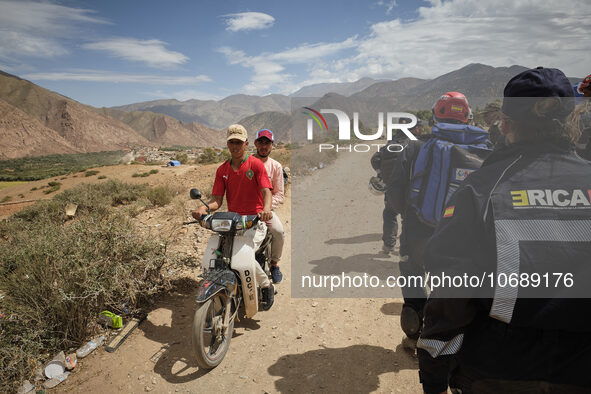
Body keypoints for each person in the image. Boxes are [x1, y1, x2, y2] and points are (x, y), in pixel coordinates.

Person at [417, 67, 591, 393]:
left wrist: (434, 373)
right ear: (572, 121)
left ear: (507, 124)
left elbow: (452, 293)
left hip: (496, 370)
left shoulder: (481, 187)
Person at [387, 92, 489, 341]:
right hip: (465, 236)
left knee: (412, 272)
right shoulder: (485, 150)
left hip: (419, 230)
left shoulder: (414, 147)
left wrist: (408, 215)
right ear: (468, 118)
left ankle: (414, 330)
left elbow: (394, 194)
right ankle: (449, 339)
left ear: (435, 116)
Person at [192, 124, 275, 309]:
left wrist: (266, 209)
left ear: (246, 144)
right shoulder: (222, 170)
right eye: (232, 142)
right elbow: (216, 200)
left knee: (241, 255)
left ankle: (266, 285)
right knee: (220, 253)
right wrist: (203, 208)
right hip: (232, 221)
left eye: (239, 142)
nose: (235, 146)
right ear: (227, 145)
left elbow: (266, 191)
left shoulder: (256, 165)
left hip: (254, 221)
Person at [253, 128, 285, 284]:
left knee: (278, 232)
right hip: (246, 210)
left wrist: (266, 208)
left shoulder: (276, 166)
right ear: (255, 144)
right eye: (261, 142)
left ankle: (274, 265)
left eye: (267, 143)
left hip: (266, 212)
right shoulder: (247, 162)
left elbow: (279, 194)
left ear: (272, 145)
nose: (264, 146)